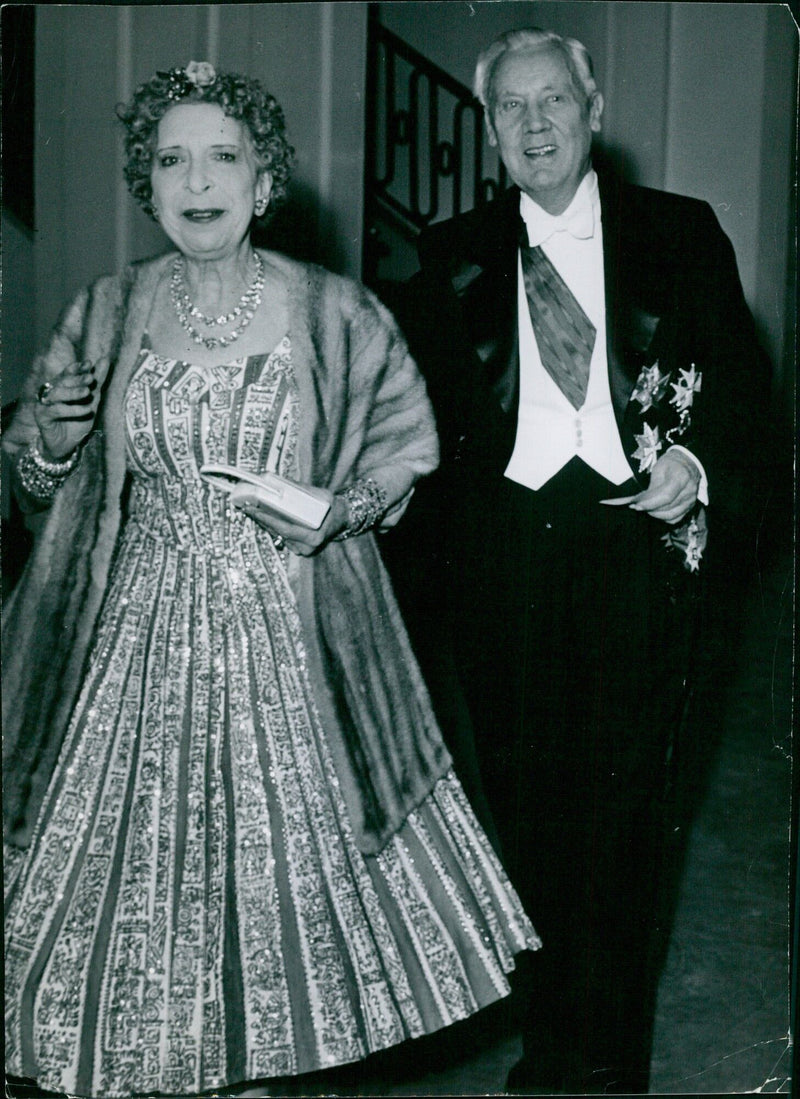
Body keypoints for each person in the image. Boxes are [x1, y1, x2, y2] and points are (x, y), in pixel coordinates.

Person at [2, 61, 540, 1099]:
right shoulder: (107, 309)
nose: (195, 181)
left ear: (263, 180)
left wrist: (340, 507)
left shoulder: (333, 312)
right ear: (145, 181)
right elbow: (31, 484)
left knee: (281, 909)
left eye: (223, 157)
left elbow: (407, 451)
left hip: (289, 632)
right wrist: (56, 451)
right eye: (170, 159)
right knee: (136, 892)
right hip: (132, 637)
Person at [385, 26, 769, 1094]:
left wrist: (693, 459)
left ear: (592, 108)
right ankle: (552, 1043)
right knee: (527, 809)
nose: (535, 122)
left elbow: (739, 382)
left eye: (553, 98)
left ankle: (606, 1062)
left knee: (627, 811)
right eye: (512, 106)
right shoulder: (446, 251)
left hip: (632, 549)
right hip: (501, 560)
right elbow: (405, 418)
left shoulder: (679, 234)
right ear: (489, 125)